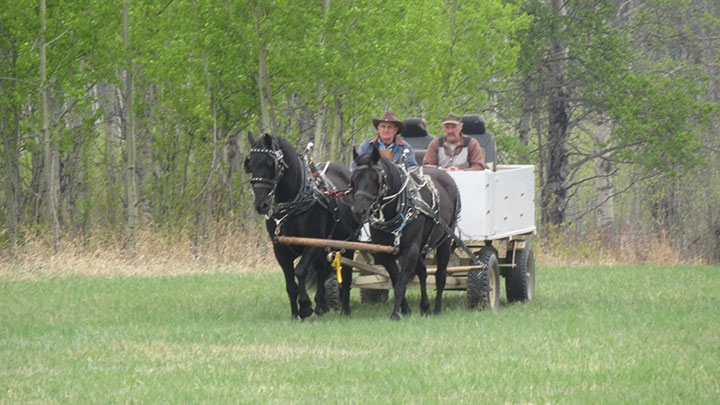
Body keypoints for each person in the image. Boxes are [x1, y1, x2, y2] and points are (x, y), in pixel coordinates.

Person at [353, 111, 418, 170]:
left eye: (390, 127)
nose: (386, 130)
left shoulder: (405, 148)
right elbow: (355, 165)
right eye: (383, 126)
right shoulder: (367, 145)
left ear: (396, 130)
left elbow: (412, 169)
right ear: (378, 128)